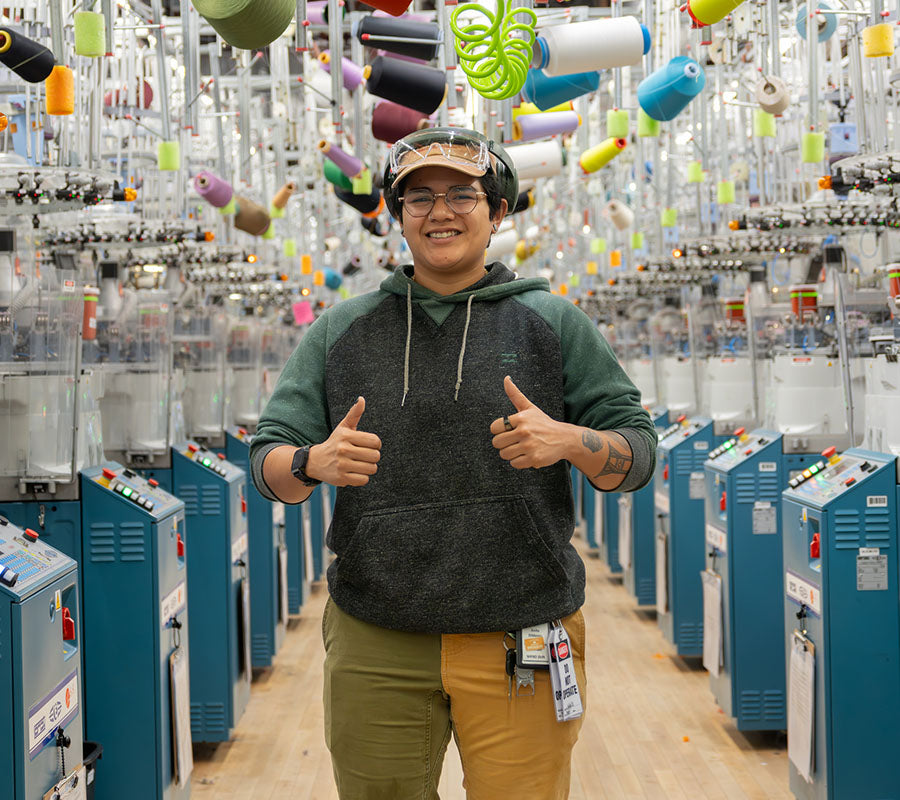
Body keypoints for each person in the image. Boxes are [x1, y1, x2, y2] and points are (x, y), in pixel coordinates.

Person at [250, 127, 657, 800]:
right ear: (396, 215)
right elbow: (268, 461)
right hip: (376, 638)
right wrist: (312, 461)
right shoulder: (340, 331)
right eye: (418, 198)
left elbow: (638, 453)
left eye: (463, 194)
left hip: (519, 632)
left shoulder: (551, 323)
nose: (440, 212)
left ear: (498, 211)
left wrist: (572, 442)